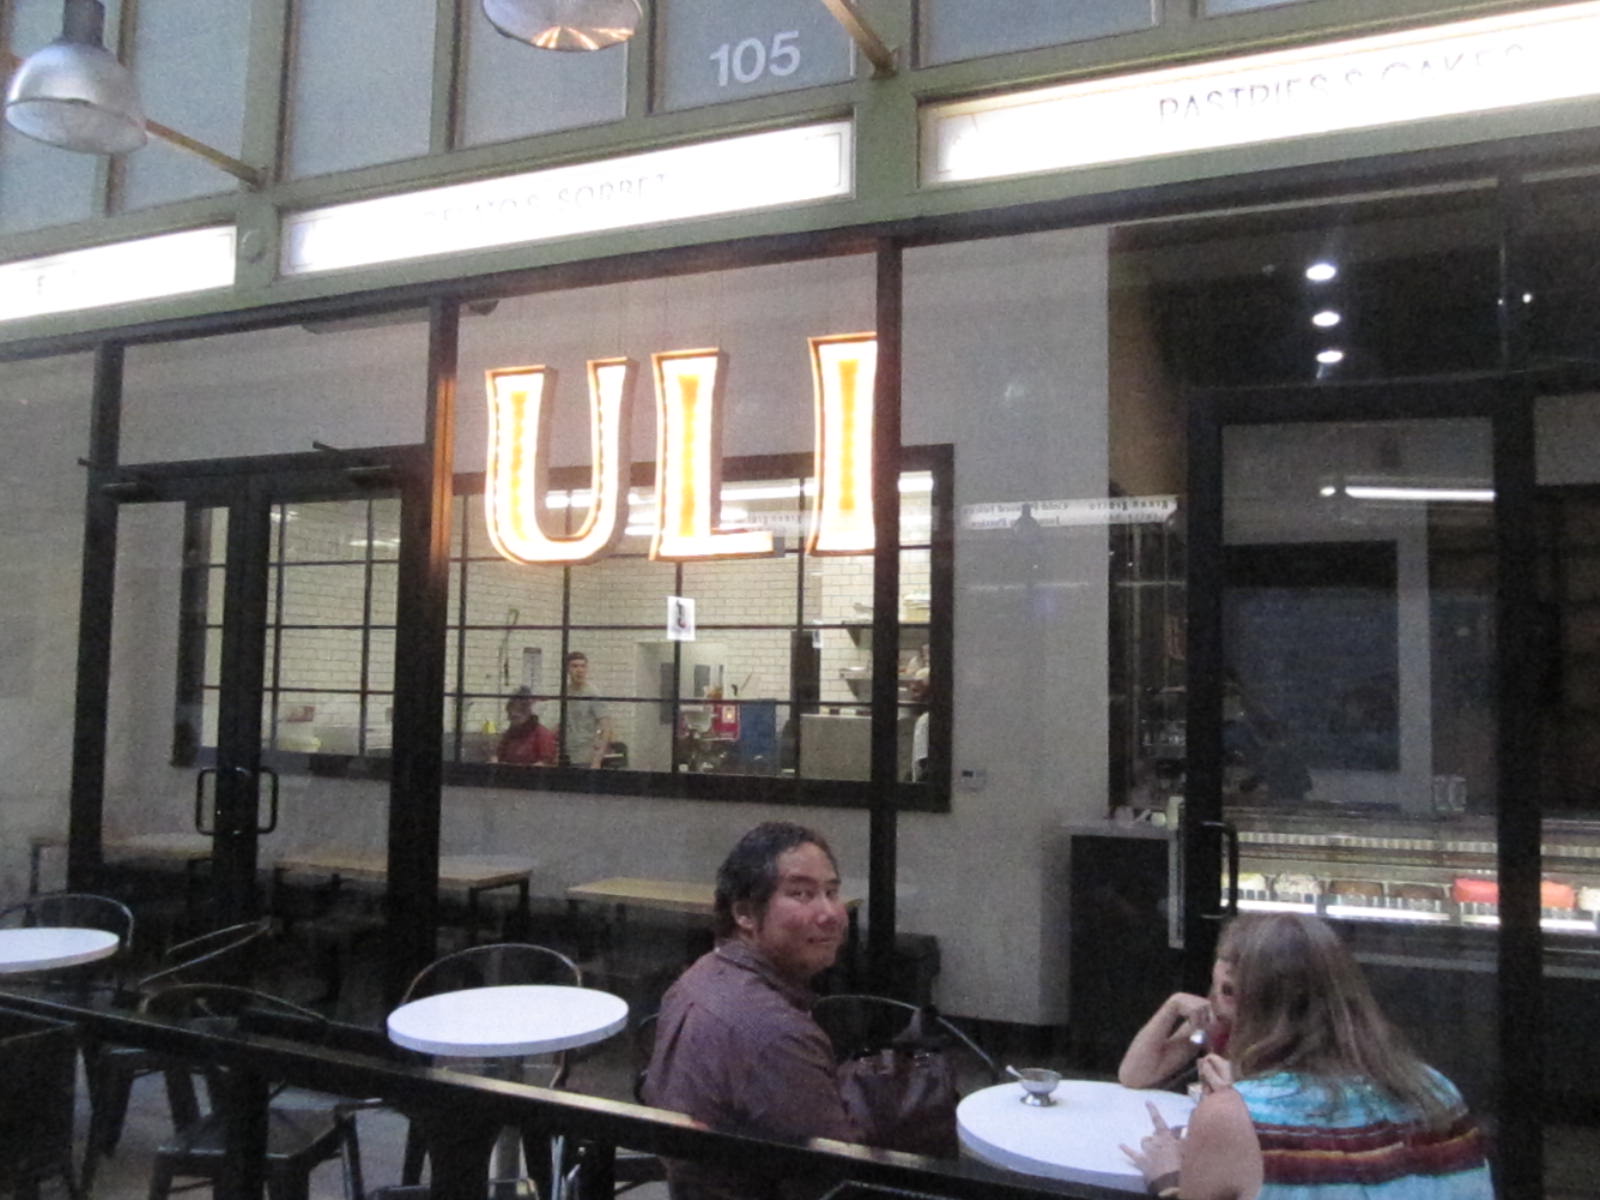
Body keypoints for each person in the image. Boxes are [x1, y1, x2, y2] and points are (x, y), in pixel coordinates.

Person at [1123, 913, 1492, 1200]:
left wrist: (1169, 1179)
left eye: (1225, 989)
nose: (1216, 1002)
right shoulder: (1437, 1090)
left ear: (1241, 995)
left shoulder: (1234, 1117)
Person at [642, 821, 862, 1200]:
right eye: (801, 894)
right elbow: (840, 1182)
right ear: (744, 913)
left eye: (831, 892)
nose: (830, 913)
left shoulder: (697, 977)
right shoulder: (776, 1036)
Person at [1118, 946, 1237, 1093]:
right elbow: (1134, 1076)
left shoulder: (1264, 1037)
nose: (1216, 1000)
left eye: (1228, 991)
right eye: (1214, 986)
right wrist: (1172, 1006)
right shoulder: (1211, 1023)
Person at [560, 650, 613, 768]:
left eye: (583, 666)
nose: (579, 670)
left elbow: (607, 728)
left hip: (585, 757)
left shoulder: (593, 693)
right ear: (567, 669)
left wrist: (597, 760)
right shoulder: (565, 692)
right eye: (575, 666)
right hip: (567, 755)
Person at [495, 687, 556, 765]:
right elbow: (499, 755)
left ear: (529, 712)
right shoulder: (510, 734)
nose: (513, 714)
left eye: (521, 709)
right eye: (511, 708)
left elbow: (545, 763)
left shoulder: (542, 734)